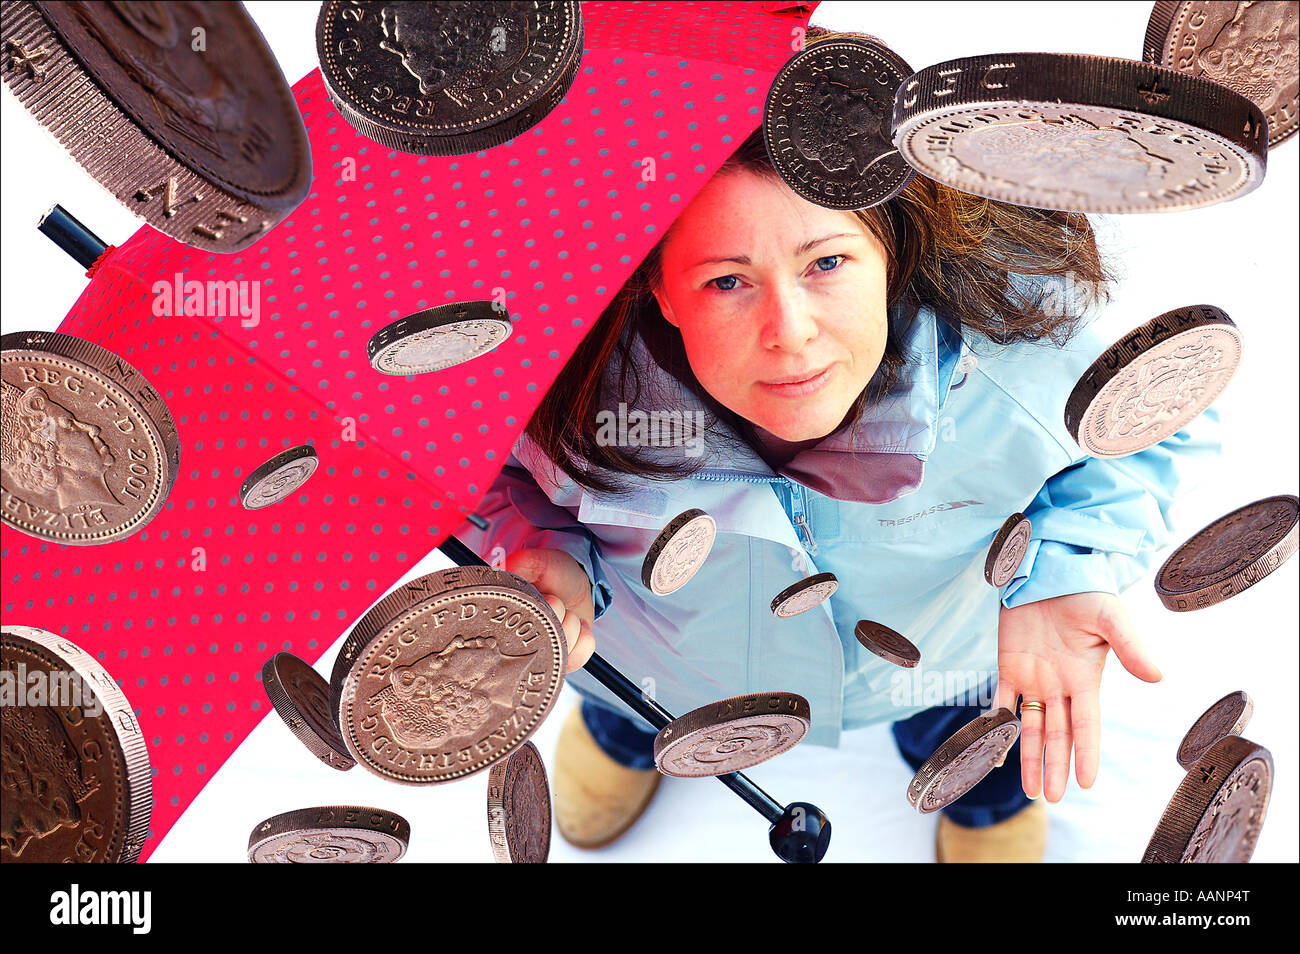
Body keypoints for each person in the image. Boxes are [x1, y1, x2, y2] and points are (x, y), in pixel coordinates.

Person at [454, 26, 1223, 862]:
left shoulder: (1022, 344)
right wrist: (540, 548)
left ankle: (983, 801)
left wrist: (1067, 570)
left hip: (956, 652)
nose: (789, 333)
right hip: (658, 660)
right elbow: (488, 476)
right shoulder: (546, 379)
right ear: (658, 289)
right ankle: (627, 738)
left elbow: (1156, 418)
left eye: (825, 263)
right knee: (632, 705)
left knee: (979, 736)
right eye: (726, 281)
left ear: (889, 246)